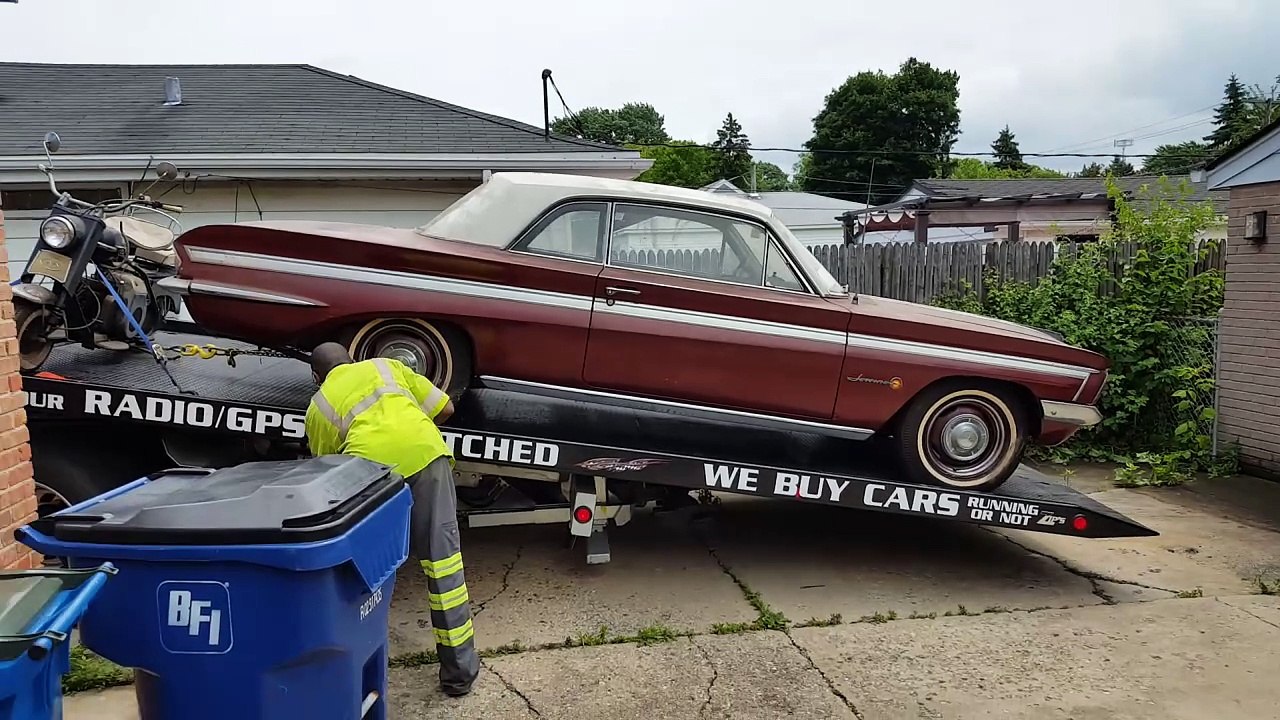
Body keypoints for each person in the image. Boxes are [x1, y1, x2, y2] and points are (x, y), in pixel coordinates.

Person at [303, 342, 479, 697]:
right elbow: (446, 407)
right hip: (426, 458)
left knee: (370, 572)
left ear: (316, 377)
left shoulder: (318, 406)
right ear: (352, 360)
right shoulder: (386, 367)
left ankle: (362, 674)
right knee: (443, 567)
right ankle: (459, 673)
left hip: (371, 477)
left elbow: (328, 469)